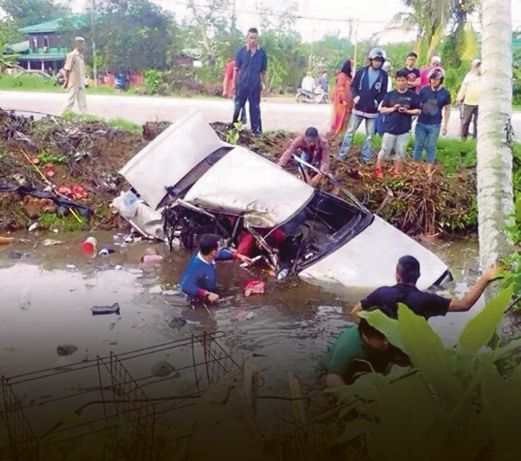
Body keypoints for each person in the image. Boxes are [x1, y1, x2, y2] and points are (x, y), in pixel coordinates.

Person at [349, 255, 498, 321]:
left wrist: (369, 336)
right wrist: (485, 278)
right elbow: (465, 305)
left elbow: (354, 312)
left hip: (384, 348)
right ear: (418, 276)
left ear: (397, 275)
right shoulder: (425, 300)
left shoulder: (381, 293)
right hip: (412, 353)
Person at [337, 47, 389, 162]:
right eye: (375, 60)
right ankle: (342, 154)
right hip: (358, 108)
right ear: (371, 60)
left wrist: (377, 100)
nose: (377, 63)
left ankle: (366, 156)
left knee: (369, 136)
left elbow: (383, 92)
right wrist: (355, 96)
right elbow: (353, 86)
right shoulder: (362, 72)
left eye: (380, 61)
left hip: (372, 111)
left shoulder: (383, 75)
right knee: (350, 132)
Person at [374, 69, 421, 179]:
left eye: (403, 80)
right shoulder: (390, 95)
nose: (400, 83)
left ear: (407, 81)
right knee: (384, 150)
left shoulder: (413, 95)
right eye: (398, 80)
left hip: (404, 129)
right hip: (390, 128)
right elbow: (382, 110)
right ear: (396, 81)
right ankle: (378, 170)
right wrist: (393, 109)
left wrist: (407, 111)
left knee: (400, 152)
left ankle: (396, 172)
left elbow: (418, 111)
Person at [179, 234, 250, 304]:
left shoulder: (206, 255)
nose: (220, 250)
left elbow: (221, 254)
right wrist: (207, 294)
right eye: (218, 248)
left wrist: (239, 256)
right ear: (213, 252)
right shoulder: (196, 267)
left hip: (210, 289)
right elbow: (185, 286)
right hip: (199, 299)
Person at [323, 318, 392, 388]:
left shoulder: (387, 339)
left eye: (388, 336)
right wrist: (350, 394)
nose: (386, 342)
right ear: (365, 336)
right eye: (380, 339)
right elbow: (332, 377)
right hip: (340, 369)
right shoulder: (347, 346)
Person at [232, 27, 268, 135]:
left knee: (255, 109)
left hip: (255, 86)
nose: (253, 40)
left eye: (255, 38)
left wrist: (265, 85)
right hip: (242, 85)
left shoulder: (262, 53)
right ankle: (235, 130)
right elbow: (236, 69)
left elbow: (263, 72)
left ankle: (256, 132)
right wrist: (234, 84)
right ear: (247, 38)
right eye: (251, 38)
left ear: (257, 38)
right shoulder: (241, 51)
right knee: (238, 108)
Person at [412, 68, 451, 163]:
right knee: (418, 145)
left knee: (431, 146)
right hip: (421, 122)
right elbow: (416, 104)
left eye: (436, 79)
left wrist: (445, 125)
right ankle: (414, 165)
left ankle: (429, 167)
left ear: (441, 80)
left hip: (435, 124)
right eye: (432, 79)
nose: (433, 81)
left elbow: (447, 110)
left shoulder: (445, 93)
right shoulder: (424, 90)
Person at [456, 59, 481, 140]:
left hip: (480, 103)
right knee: (465, 121)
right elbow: (463, 89)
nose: (477, 68)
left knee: (477, 122)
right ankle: (463, 138)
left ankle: (476, 139)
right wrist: (459, 98)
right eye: (476, 66)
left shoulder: (483, 77)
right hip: (468, 103)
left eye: (479, 66)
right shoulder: (468, 77)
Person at [62, 37, 87, 114]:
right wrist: (66, 80)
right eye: (82, 44)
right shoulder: (72, 55)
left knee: (82, 102)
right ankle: (63, 115)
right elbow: (67, 69)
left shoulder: (81, 56)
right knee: (70, 100)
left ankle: (84, 116)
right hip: (73, 82)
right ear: (77, 44)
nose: (84, 46)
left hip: (80, 82)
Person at [330, 60, 353, 135]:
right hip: (342, 102)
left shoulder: (348, 77)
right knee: (340, 118)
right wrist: (343, 100)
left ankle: (343, 135)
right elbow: (340, 88)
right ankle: (336, 134)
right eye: (351, 66)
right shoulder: (342, 76)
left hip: (348, 102)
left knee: (346, 119)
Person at [223, 57, 247, 125]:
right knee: (239, 104)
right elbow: (226, 78)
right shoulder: (232, 65)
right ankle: (241, 119)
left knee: (240, 104)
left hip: (242, 89)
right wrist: (225, 90)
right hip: (234, 89)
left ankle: (241, 120)